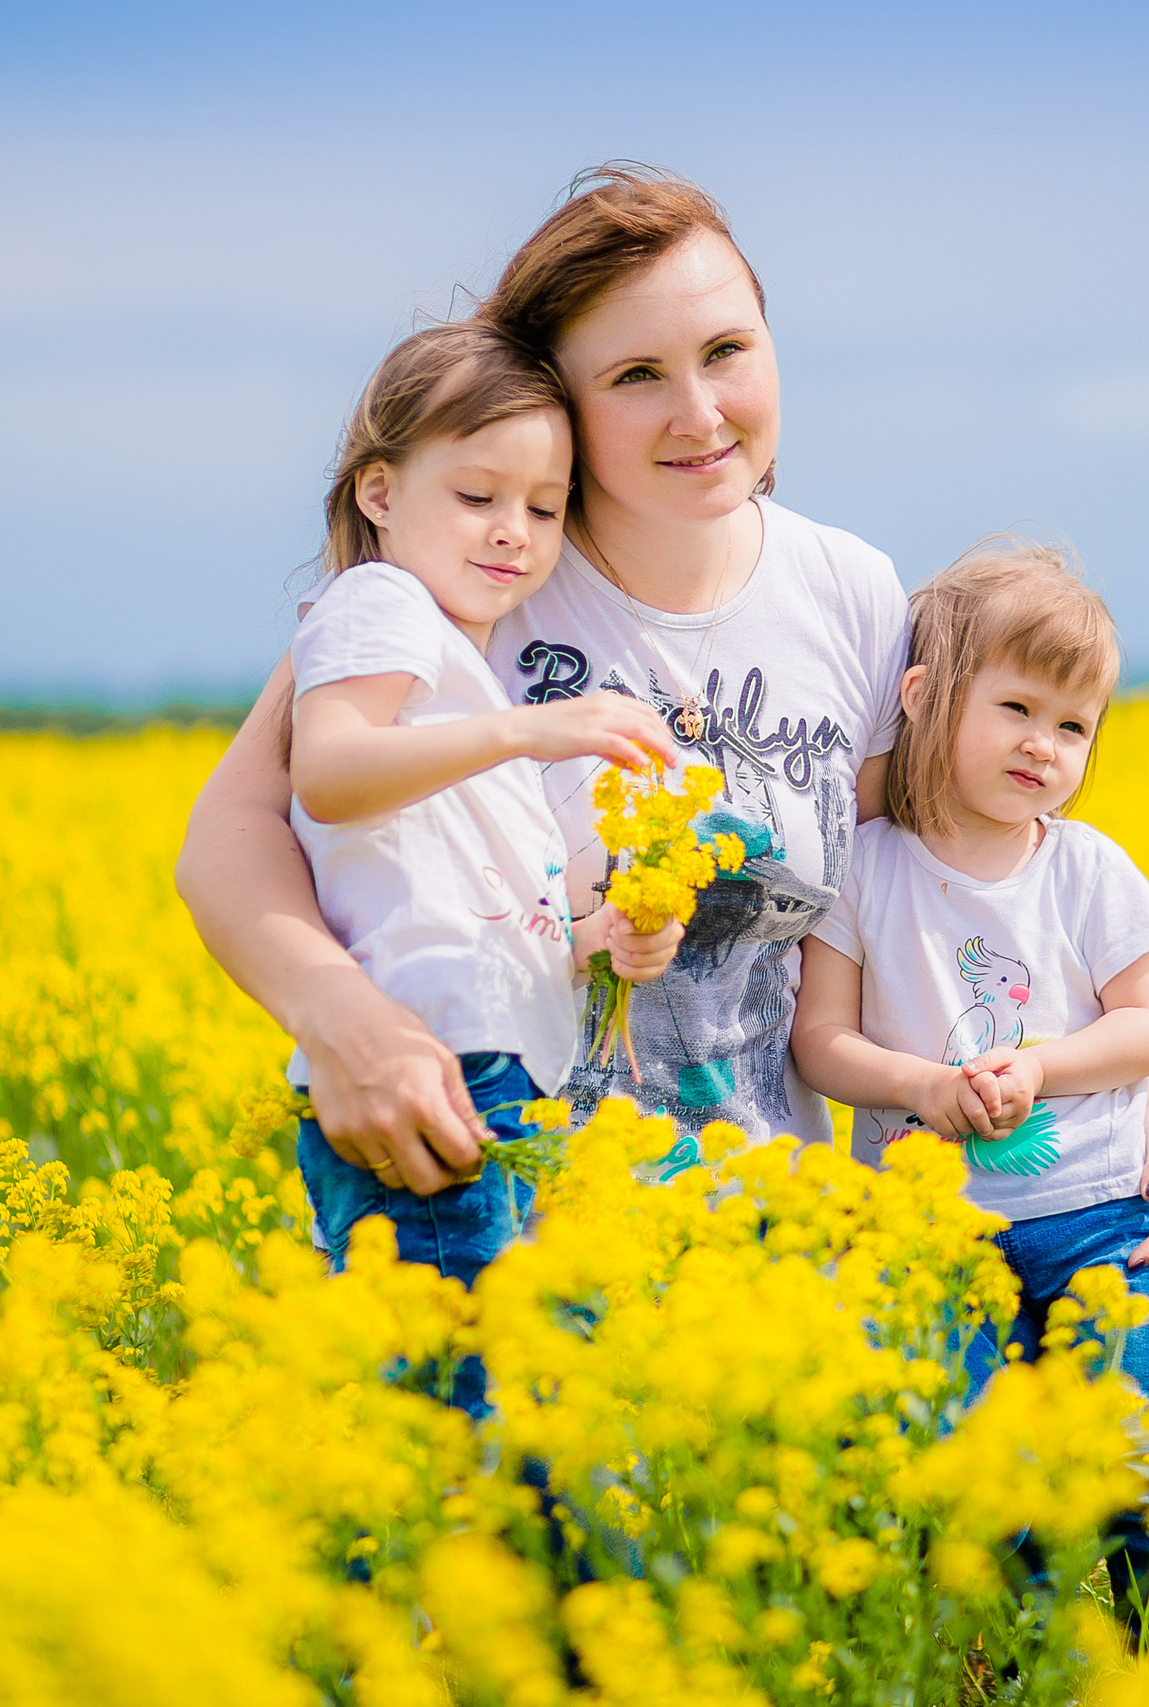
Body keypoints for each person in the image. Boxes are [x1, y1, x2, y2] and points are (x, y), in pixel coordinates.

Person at [173, 166, 1149, 1320]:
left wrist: (1114, 1102)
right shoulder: (475, 566)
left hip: (781, 1248)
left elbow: (918, 900)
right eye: (634, 376)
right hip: (500, 1211)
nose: (701, 413)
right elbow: (231, 833)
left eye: (727, 351)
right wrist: (341, 1019)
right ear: (557, 403)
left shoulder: (854, 594)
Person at [790, 539, 1149, 1650]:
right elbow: (819, 1042)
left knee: (1133, 1459)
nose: (1044, 746)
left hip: (1101, 1223)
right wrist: (922, 1087)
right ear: (927, 701)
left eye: (1072, 726)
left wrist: (1038, 1065)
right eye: (1017, 708)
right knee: (972, 1476)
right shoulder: (865, 866)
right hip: (930, 1238)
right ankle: (1004, 1663)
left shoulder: (1084, 867)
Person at [280, 320, 686, 1352]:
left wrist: (601, 940)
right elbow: (324, 773)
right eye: (476, 497)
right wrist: (530, 728)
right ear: (379, 494)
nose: (514, 530)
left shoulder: (459, 668)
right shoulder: (381, 604)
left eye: (543, 508)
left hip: (495, 1066)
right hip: (436, 1068)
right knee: (462, 1403)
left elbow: (477, 898)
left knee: (502, 1395)